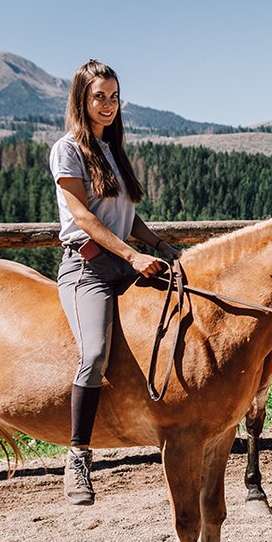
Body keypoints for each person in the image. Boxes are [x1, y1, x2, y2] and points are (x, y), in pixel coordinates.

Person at [51, 59, 180, 504]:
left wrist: (161, 246)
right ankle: (78, 457)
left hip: (125, 262)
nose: (107, 104)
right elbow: (84, 217)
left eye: (113, 96)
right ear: (82, 100)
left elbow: (126, 215)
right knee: (95, 353)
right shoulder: (67, 149)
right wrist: (131, 254)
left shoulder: (112, 148)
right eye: (98, 97)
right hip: (88, 268)